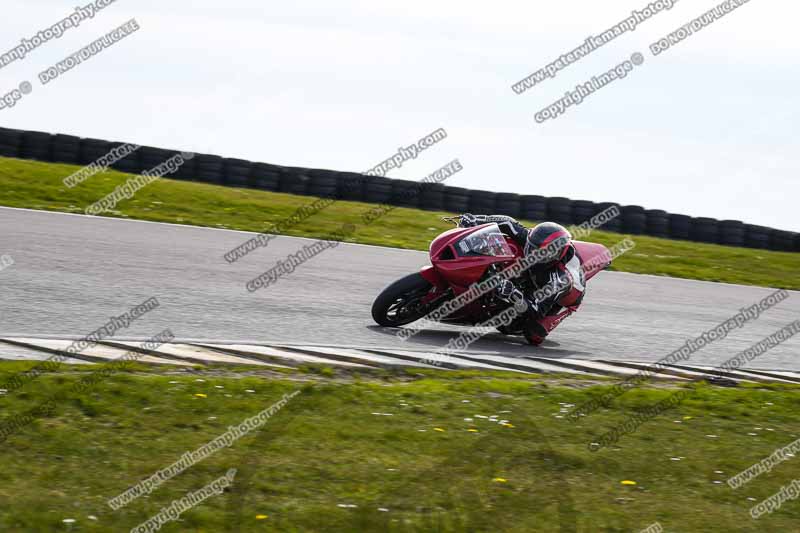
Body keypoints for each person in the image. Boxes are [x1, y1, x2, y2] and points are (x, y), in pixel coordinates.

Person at [458, 213, 586, 345]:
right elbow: (508, 223)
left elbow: (537, 310)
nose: (532, 255)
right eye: (531, 248)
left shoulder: (560, 280)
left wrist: (514, 294)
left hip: (564, 298)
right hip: (544, 270)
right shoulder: (535, 240)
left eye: (539, 254)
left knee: (534, 335)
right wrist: (476, 220)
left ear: (554, 256)